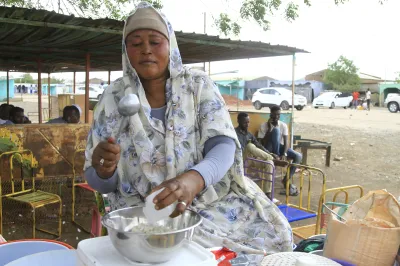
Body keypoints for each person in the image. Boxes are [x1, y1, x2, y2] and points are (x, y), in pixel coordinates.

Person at [83, 3, 293, 262]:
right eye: (136, 43)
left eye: (155, 41)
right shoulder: (113, 98)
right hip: (143, 214)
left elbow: (224, 146)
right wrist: (104, 171)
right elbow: (97, 180)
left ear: (170, 44)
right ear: (126, 51)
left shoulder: (197, 86)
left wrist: (193, 180)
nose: (146, 49)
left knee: (274, 236)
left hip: (209, 202)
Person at [235, 112, 287, 200]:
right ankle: (274, 160)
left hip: (250, 160)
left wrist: (270, 154)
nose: (247, 124)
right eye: (245, 122)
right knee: (250, 146)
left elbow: (259, 146)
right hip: (241, 159)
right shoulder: (234, 133)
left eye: (248, 122)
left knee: (269, 163)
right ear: (238, 121)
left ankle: (268, 193)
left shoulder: (249, 134)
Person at [258, 105, 302, 196]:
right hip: (268, 148)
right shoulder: (263, 125)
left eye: (278, 115)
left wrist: (285, 153)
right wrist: (270, 129)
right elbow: (261, 143)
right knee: (276, 131)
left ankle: (286, 179)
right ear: (270, 115)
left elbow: (286, 142)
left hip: (281, 147)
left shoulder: (283, 125)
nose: (276, 117)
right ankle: (277, 157)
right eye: (274, 115)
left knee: (298, 156)